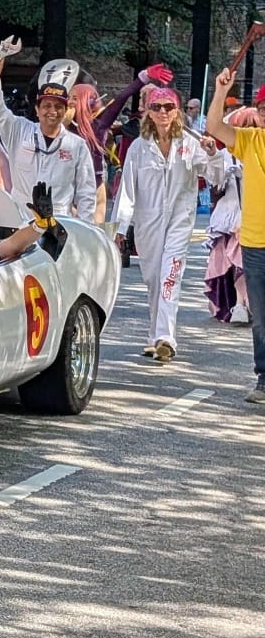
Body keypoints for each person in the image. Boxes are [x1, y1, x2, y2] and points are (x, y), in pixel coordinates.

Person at [112, 87, 223, 363]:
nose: (163, 112)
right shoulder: (139, 148)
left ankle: (166, 338)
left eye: (168, 107)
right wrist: (120, 229)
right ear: (148, 111)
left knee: (169, 277)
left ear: (177, 112)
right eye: (157, 107)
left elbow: (215, 175)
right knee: (153, 280)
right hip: (148, 223)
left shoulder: (189, 143)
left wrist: (212, 153)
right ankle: (154, 336)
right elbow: (127, 190)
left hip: (179, 221)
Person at [206, 68, 265, 402]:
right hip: (255, 243)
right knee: (261, 318)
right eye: (263, 108)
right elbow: (214, 127)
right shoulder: (250, 140)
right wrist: (220, 90)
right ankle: (264, 380)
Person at [0, 52, 96, 221]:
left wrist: (83, 229)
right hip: (21, 220)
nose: (52, 111)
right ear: (37, 110)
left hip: (60, 224)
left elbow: (86, 193)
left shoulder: (77, 146)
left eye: (58, 106)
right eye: (46, 106)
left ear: (65, 110)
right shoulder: (19, 129)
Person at [65, 64, 174, 223]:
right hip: (68, 185)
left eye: (75, 98)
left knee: (94, 232)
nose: (70, 102)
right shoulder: (62, 125)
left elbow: (121, 98)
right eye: (69, 98)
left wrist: (142, 77)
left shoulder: (99, 123)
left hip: (94, 184)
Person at [204, 108, 253, 325]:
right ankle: (240, 304)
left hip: (256, 216)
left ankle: (249, 305)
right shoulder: (225, 155)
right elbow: (214, 186)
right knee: (236, 261)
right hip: (232, 217)